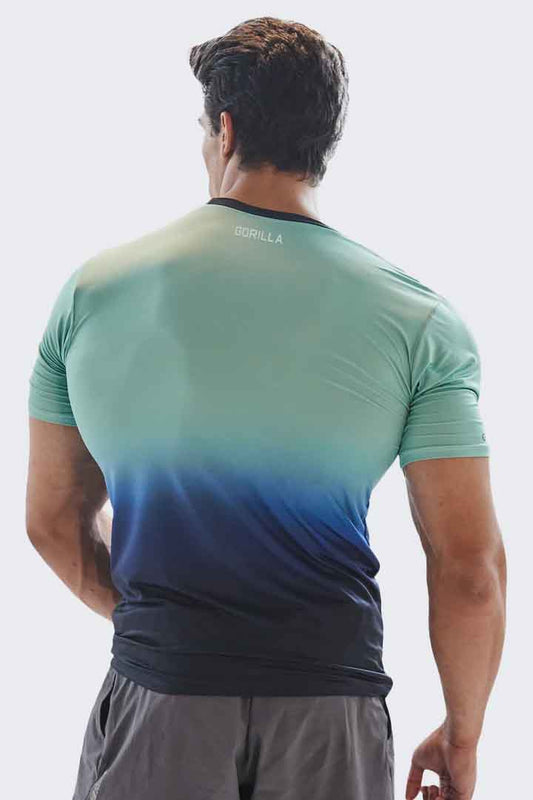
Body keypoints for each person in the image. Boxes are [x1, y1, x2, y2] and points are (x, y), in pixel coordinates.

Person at [25, 16, 506, 800]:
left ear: (224, 129)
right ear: (325, 142)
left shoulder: (93, 294)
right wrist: (462, 734)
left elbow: (52, 521)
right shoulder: (419, 320)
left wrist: (168, 628)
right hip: (331, 712)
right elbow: (468, 569)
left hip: (162, 698)